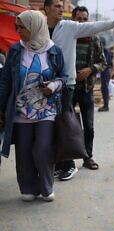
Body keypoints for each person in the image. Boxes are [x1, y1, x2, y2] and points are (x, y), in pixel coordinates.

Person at [44, 0, 114, 181]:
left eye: (62, 6)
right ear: (46, 9)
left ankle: (76, 161)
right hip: (48, 86)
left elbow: (97, 28)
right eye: (57, 6)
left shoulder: (71, 28)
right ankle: (59, 162)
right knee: (53, 125)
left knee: (76, 125)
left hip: (71, 86)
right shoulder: (41, 29)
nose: (61, 9)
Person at [0, 10, 66, 201]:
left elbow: (64, 77)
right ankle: (28, 188)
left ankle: (46, 187)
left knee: (43, 147)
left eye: (22, 27)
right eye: (17, 27)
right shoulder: (15, 50)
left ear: (35, 27)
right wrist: (2, 107)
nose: (18, 31)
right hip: (20, 110)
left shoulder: (54, 50)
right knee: (24, 150)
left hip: (47, 110)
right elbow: (5, 82)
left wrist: (53, 86)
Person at [71, 6, 107, 170]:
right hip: (67, 89)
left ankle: (88, 157)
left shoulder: (94, 39)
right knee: (67, 125)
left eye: (85, 19)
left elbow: (103, 63)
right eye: (79, 19)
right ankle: (66, 159)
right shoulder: (66, 36)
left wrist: (90, 70)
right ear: (73, 20)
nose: (82, 22)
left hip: (86, 89)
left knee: (89, 126)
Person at [98, 37, 113, 112]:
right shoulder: (103, 50)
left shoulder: (105, 51)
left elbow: (105, 62)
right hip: (104, 70)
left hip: (106, 70)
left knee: (105, 88)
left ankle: (106, 106)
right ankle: (105, 105)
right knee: (103, 88)